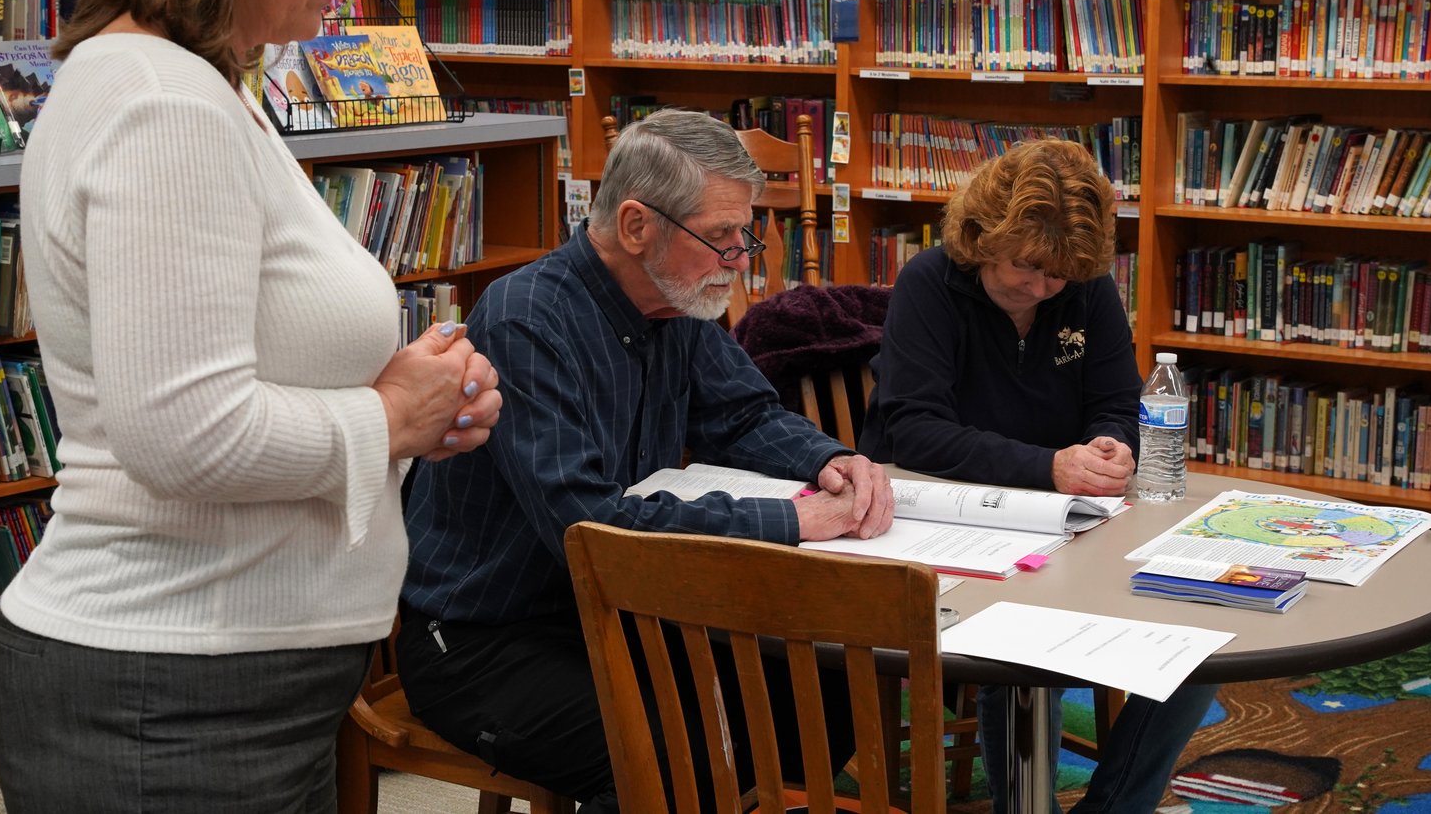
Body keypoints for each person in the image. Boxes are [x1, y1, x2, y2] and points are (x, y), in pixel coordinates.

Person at [0, 0, 502, 811]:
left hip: (216, 679)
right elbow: (184, 431)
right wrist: (388, 418)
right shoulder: (165, 103)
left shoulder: (186, 82)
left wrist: (406, 390)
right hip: (171, 690)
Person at [398, 108, 896, 812]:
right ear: (636, 226)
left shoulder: (676, 301)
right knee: (673, 760)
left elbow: (744, 414)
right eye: (721, 236)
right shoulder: (526, 318)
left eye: (745, 234)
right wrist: (792, 521)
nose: (741, 258)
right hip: (486, 636)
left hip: (620, 613)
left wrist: (832, 460)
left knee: (826, 693)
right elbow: (590, 529)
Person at [858, 138, 1216, 814]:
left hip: (1067, 520)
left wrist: (1112, 443)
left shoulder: (1084, 288)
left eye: (1058, 276)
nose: (1040, 288)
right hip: (946, 520)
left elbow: (1116, 400)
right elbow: (914, 430)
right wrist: (1048, 465)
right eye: (1025, 265)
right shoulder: (929, 282)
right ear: (983, 235)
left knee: (1202, 630)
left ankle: (1115, 807)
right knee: (1019, 650)